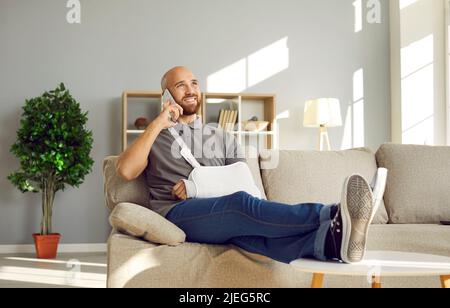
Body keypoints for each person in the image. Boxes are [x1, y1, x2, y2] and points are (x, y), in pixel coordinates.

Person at [116, 66, 386, 264]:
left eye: (194, 83)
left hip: (219, 215)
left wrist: (196, 186)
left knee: (258, 240)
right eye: (181, 85)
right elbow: (126, 171)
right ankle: (334, 213)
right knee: (239, 204)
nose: (191, 90)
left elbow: (241, 179)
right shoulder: (156, 136)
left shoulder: (221, 135)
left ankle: (330, 243)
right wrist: (159, 122)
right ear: (167, 96)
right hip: (178, 212)